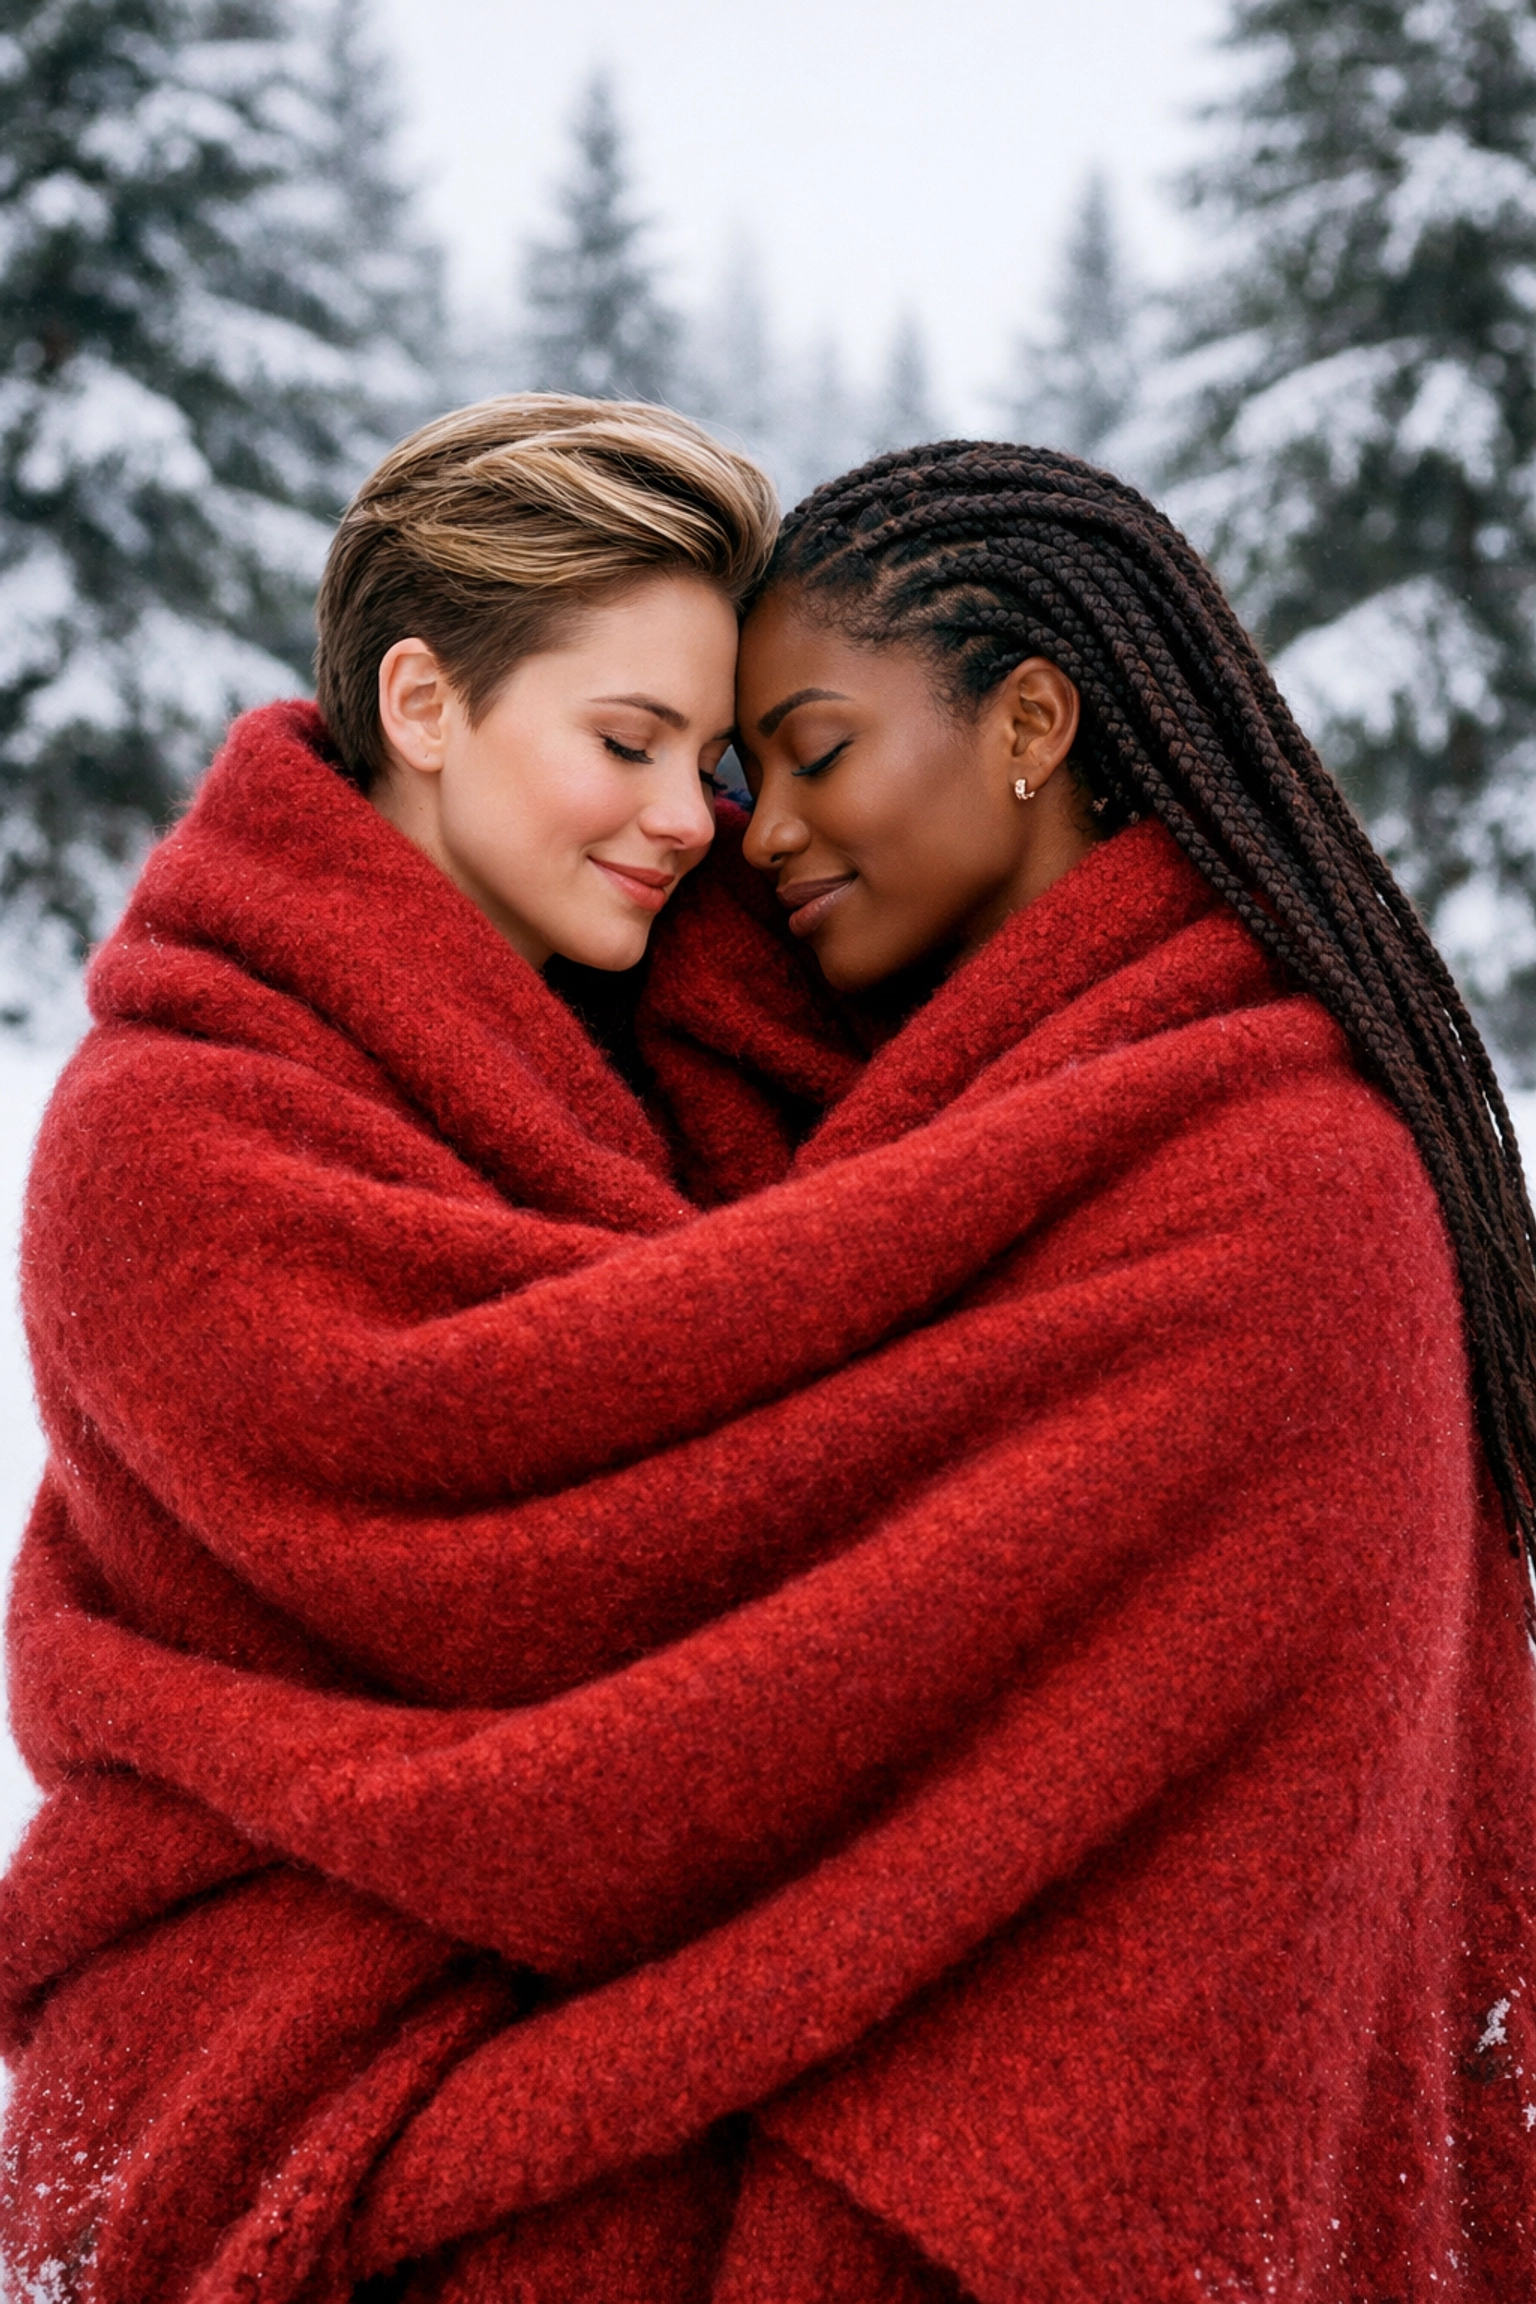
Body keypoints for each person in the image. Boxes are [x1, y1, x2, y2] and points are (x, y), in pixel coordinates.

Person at [3, 421, 1532, 2304]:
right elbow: (554, 1597)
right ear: (422, 701)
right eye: (632, 744)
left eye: (732, 760)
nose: (702, 823)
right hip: (279, 1973)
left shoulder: (777, 1041)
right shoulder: (176, 1145)